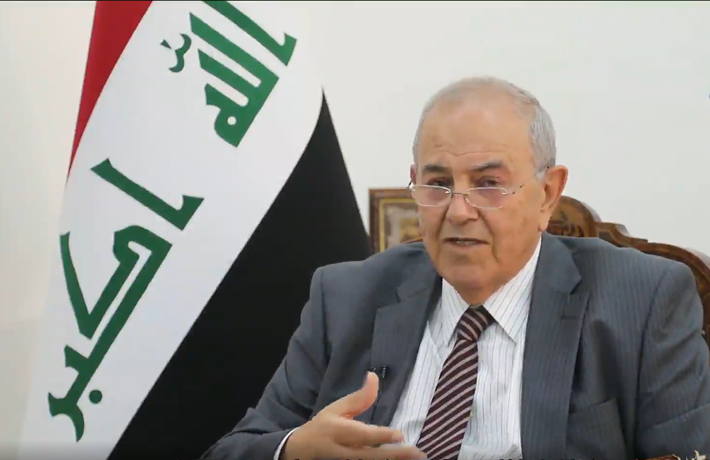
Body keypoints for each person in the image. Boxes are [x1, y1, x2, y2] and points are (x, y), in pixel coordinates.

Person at [200, 76, 710, 460]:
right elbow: (230, 450)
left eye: (488, 184)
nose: (458, 210)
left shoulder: (642, 299)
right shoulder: (346, 297)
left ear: (547, 194)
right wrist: (294, 451)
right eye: (438, 183)